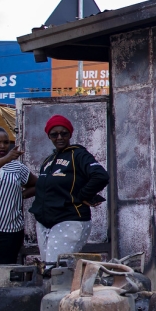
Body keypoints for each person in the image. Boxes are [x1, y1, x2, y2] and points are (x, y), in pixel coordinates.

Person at [29, 115, 109, 270]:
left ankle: (65, 294)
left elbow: (101, 175)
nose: (59, 137)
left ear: (70, 134)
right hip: (45, 222)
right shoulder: (48, 160)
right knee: (49, 270)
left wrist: (83, 196)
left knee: (57, 270)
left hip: (69, 219)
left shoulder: (78, 154)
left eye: (64, 133)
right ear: (49, 136)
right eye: (54, 134)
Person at [0, 126, 35, 264]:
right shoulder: (6, 161)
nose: (2, 146)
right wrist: (6, 159)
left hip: (8, 233)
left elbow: (39, 185)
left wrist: (20, 195)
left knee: (2, 276)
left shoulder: (16, 167)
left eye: (6, 142)